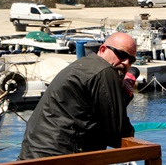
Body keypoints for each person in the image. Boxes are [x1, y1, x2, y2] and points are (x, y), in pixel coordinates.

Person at [19, 32, 137, 160]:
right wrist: (124, 94)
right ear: (102, 49)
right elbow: (117, 134)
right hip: (60, 158)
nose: (126, 62)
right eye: (122, 55)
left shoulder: (82, 66)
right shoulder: (105, 71)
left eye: (132, 60)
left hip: (33, 155)